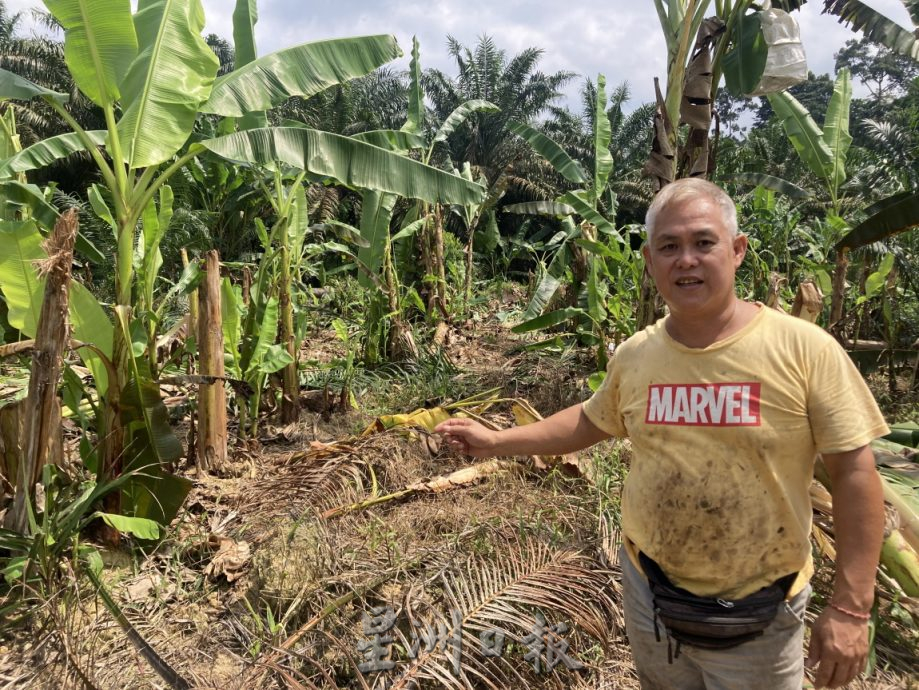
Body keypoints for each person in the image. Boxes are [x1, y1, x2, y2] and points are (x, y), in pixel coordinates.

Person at [435, 178, 888, 690]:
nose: (686, 260)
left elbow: (855, 472)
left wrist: (851, 609)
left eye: (703, 242)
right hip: (650, 588)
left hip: (761, 605)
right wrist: (497, 442)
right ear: (649, 261)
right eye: (669, 247)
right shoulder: (638, 355)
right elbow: (592, 419)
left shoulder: (804, 350)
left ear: (737, 251)